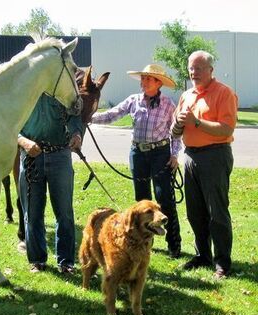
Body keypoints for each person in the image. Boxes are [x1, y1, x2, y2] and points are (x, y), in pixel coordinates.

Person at [91, 64, 182, 258]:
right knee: (142, 200)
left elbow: (175, 133)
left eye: (148, 79)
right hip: (138, 153)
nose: (143, 82)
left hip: (160, 153)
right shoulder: (133, 100)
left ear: (158, 83)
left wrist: (174, 155)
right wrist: (88, 117)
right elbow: (112, 115)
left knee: (164, 198)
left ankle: (174, 243)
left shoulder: (168, 104)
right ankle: (145, 238)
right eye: (142, 78)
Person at [171, 50, 238, 279]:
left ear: (211, 70)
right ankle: (203, 255)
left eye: (199, 68)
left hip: (215, 156)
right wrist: (179, 123)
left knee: (216, 212)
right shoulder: (186, 95)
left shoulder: (224, 93)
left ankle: (222, 262)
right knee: (194, 212)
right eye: (191, 68)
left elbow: (227, 129)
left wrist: (196, 122)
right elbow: (176, 129)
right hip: (190, 156)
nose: (194, 72)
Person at [18, 93, 82, 273]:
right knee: (32, 212)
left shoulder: (63, 91)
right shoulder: (24, 91)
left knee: (64, 212)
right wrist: (23, 141)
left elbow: (75, 117)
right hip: (31, 157)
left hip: (60, 155)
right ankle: (37, 260)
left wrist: (77, 134)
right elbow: (9, 123)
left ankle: (66, 262)